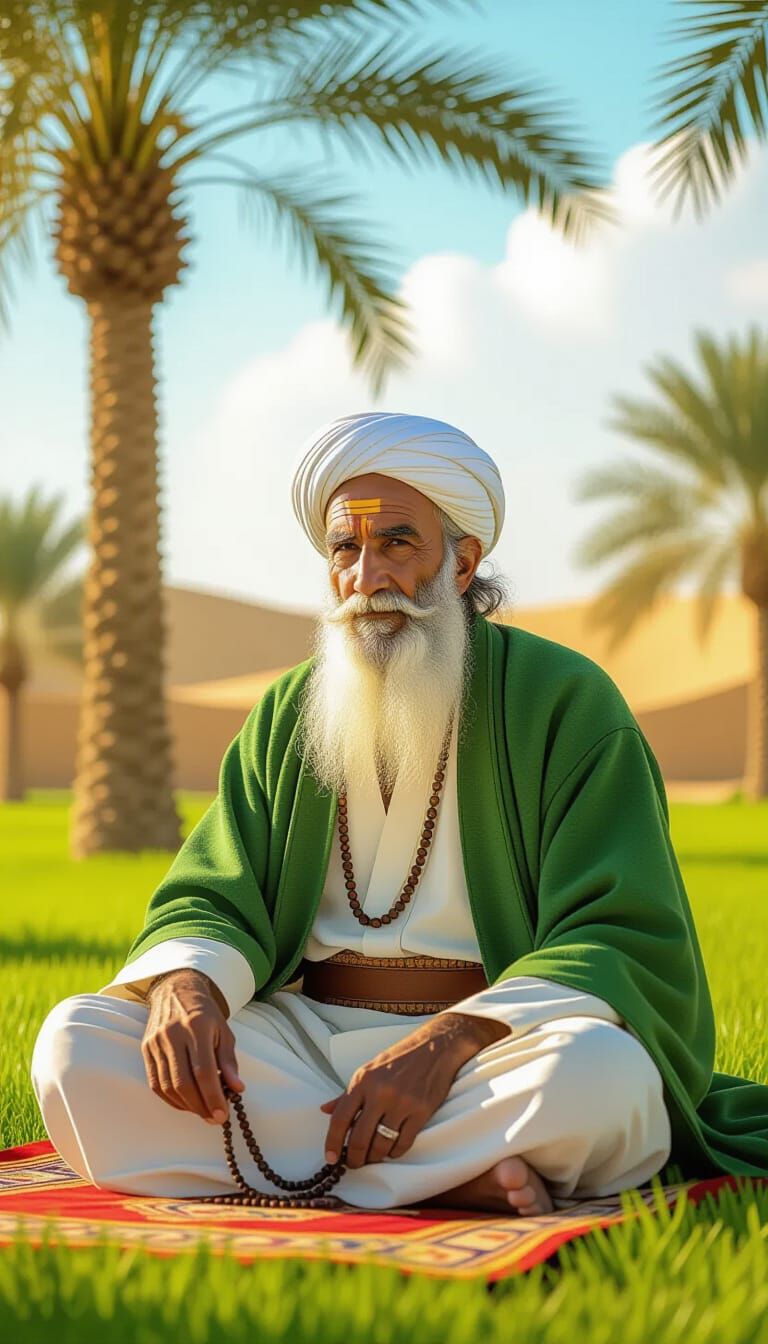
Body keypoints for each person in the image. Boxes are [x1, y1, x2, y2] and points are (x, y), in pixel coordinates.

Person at [30, 412, 768, 1214]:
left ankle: (319, 1166)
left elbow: (619, 932)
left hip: (495, 1047)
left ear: (463, 562)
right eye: (345, 549)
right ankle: (458, 1174)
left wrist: (452, 1038)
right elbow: (214, 891)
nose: (365, 576)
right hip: (304, 1040)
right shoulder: (288, 712)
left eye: (397, 544)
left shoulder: (564, 701)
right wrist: (188, 983)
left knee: (598, 1078)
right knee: (77, 1046)